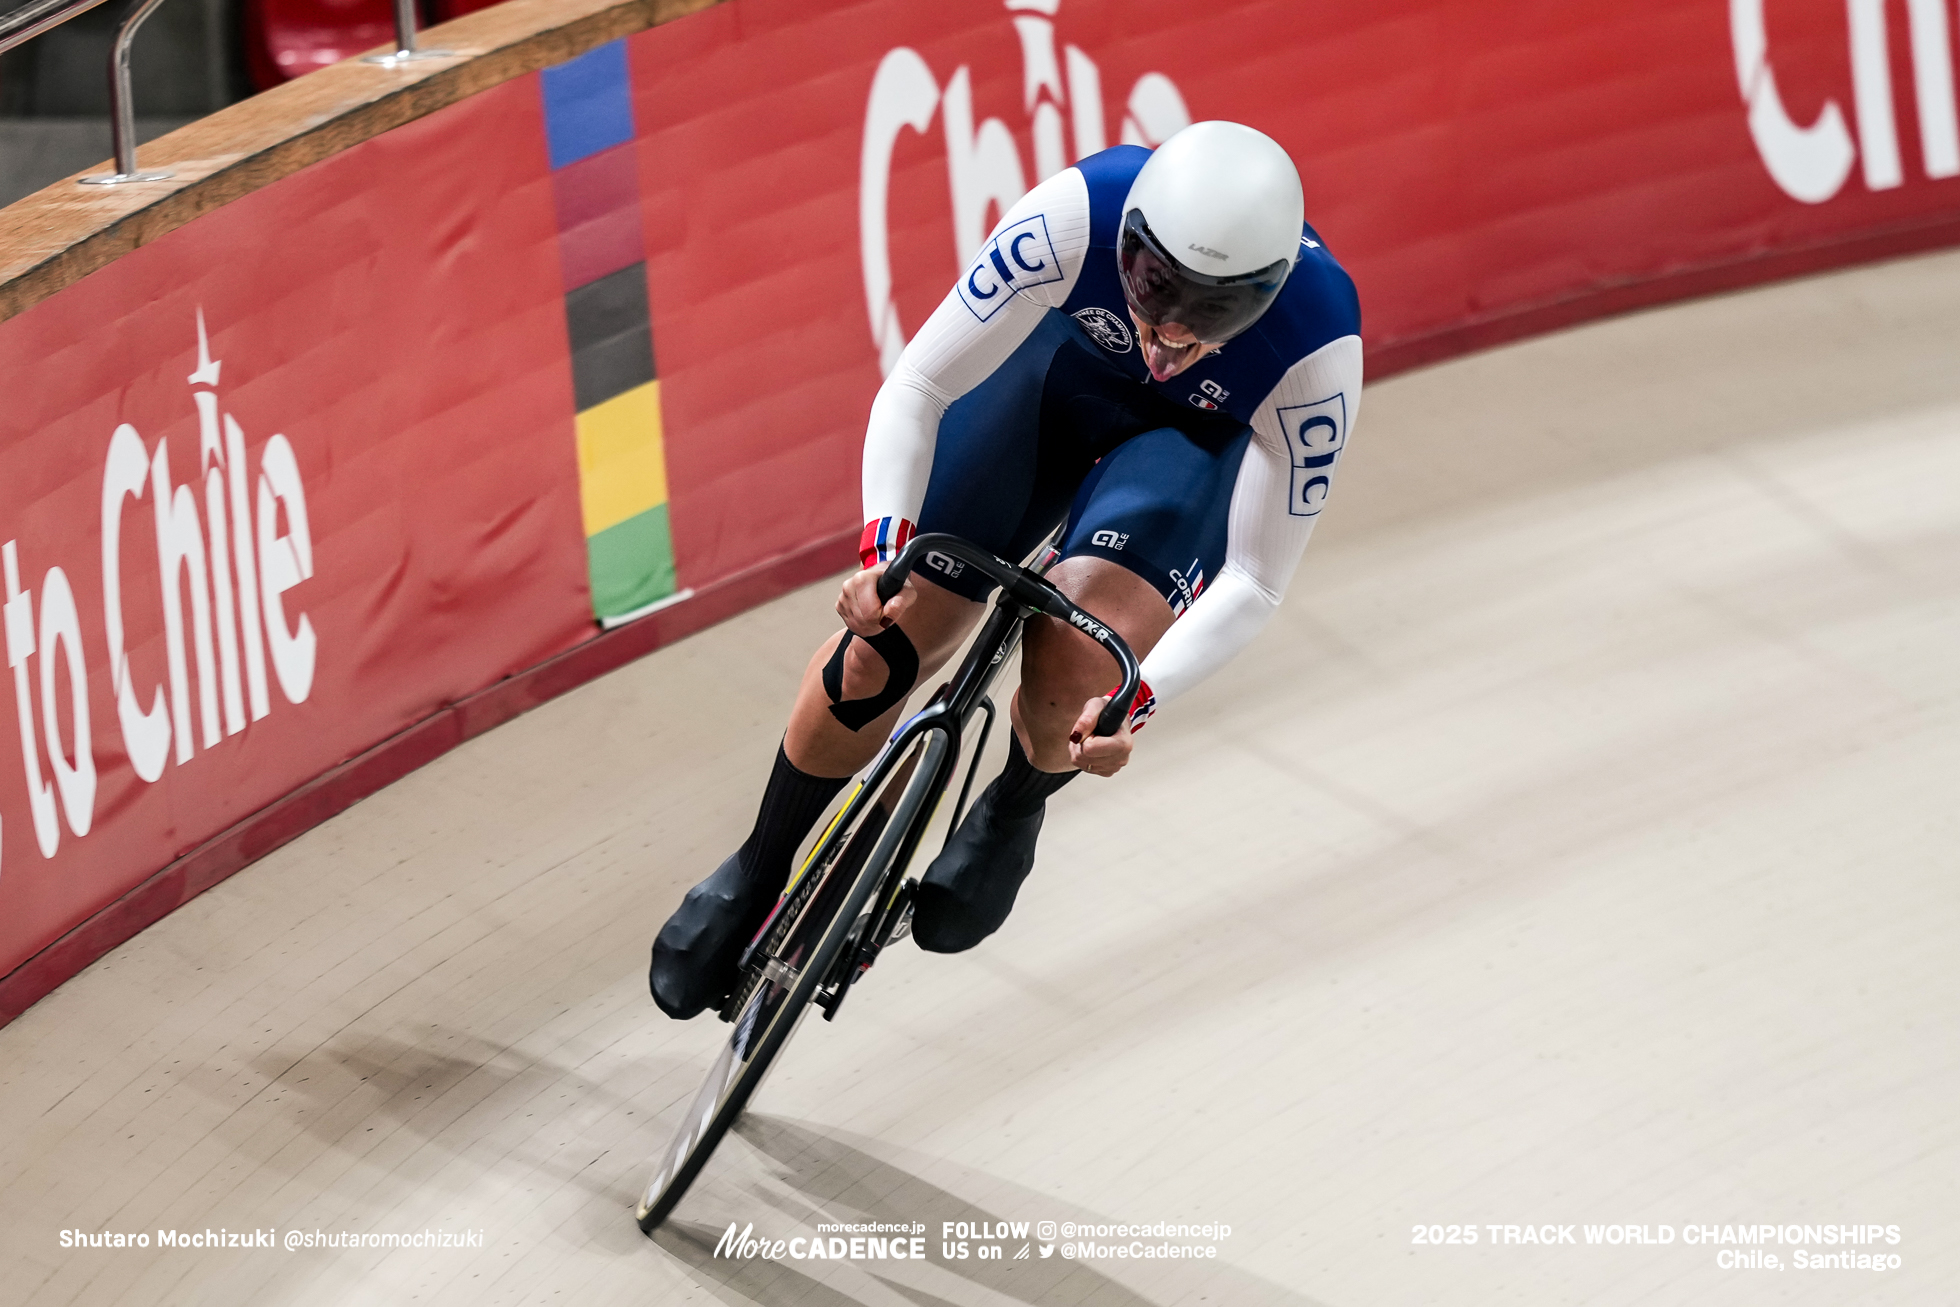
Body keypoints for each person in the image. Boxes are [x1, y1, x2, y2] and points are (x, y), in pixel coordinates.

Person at [649, 120, 1362, 1019]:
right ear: (1128, 237)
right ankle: (758, 866)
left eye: (1210, 312)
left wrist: (1136, 701)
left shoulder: (1320, 344)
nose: (1170, 329)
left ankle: (1014, 807)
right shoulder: (1078, 211)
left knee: (1080, 659)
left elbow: (1256, 579)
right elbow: (920, 383)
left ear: (1266, 297)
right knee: (884, 640)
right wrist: (881, 549)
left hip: (1187, 451)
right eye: (1152, 288)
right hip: (1052, 383)